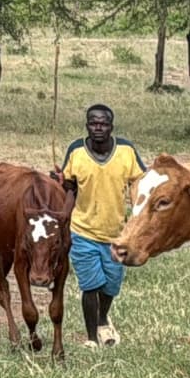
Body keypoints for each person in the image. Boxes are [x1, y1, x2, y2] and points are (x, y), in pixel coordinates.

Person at [59, 104, 145, 347]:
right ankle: (91, 338)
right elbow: (69, 185)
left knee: (110, 285)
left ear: (111, 127)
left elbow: (140, 182)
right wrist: (62, 207)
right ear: (87, 125)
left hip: (116, 234)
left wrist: (139, 215)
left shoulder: (126, 151)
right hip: (83, 231)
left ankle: (102, 319)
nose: (98, 128)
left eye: (103, 124)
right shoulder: (76, 151)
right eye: (93, 123)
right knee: (90, 286)